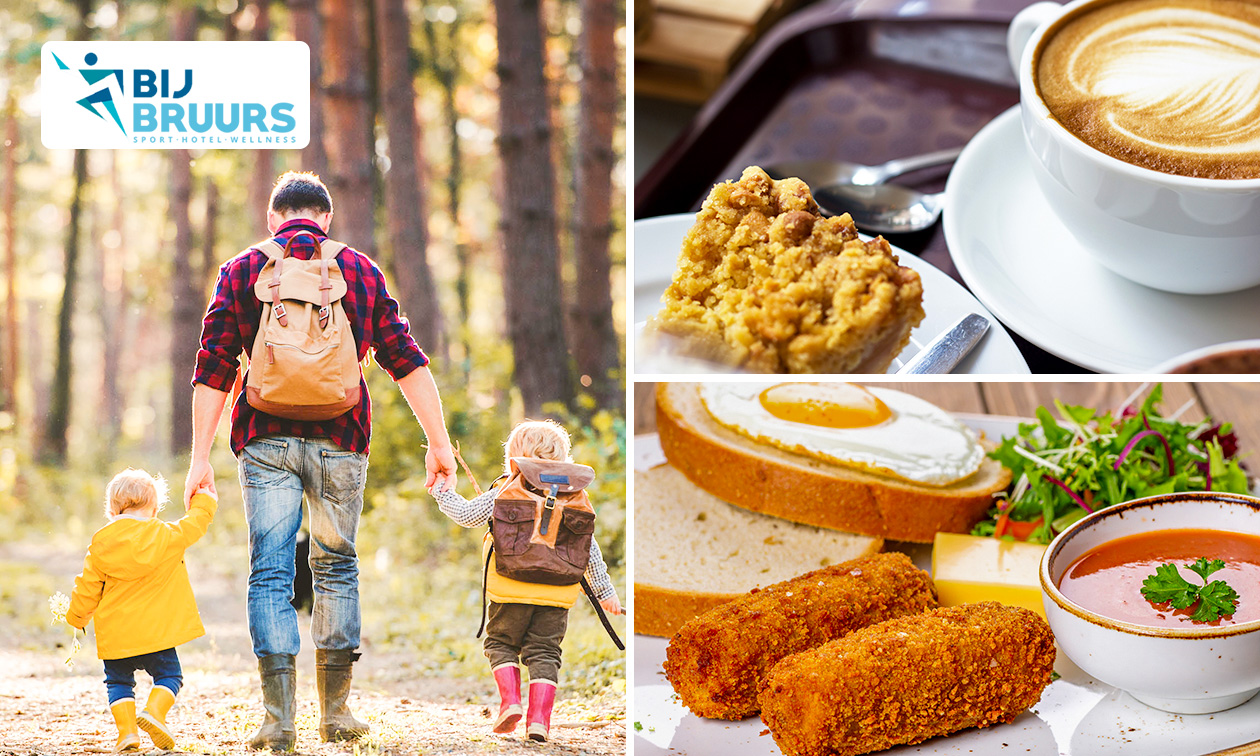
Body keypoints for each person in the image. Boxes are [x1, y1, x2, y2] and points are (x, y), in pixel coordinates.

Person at [186, 171, 456, 749]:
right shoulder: (358, 270)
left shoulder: (242, 270)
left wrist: (198, 459)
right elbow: (404, 358)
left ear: (272, 219)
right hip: (342, 440)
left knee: (271, 571)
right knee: (335, 567)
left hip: (264, 441)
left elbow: (214, 367)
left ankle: (278, 720)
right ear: (326, 220)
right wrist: (438, 442)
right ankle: (337, 714)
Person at [430, 420, 623, 743]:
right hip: (557, 594)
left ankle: (510, 703)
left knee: (500, 644)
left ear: (513, 460)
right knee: (546, 653)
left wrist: (442, 492)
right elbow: (589, 549)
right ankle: (539, 722)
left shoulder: (506, 489)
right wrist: (606, 593)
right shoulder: (575, 496)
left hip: (510, 588)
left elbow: (465, 516)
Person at [66, 469, 218, 753]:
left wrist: (77, 617)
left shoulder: (101, 543)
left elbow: (87, 586)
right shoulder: (165, 535)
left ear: (112, 509)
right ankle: (154, 713)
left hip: (117, 635)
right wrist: (204, 500)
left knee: (118, 682)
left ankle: (127, 734)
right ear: (153, 508)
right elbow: (194, 524)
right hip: (156, 634)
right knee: (170, 676)